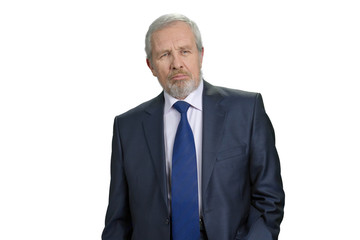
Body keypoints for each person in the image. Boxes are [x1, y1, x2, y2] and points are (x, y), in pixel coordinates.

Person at [102, 13, 284, 240]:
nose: (176, 63)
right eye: (164, 54)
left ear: (201, 55)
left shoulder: (247, 111)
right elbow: (118, 219)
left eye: (185, 51)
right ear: (151, 65)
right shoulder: (127, 127)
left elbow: (269, 198)